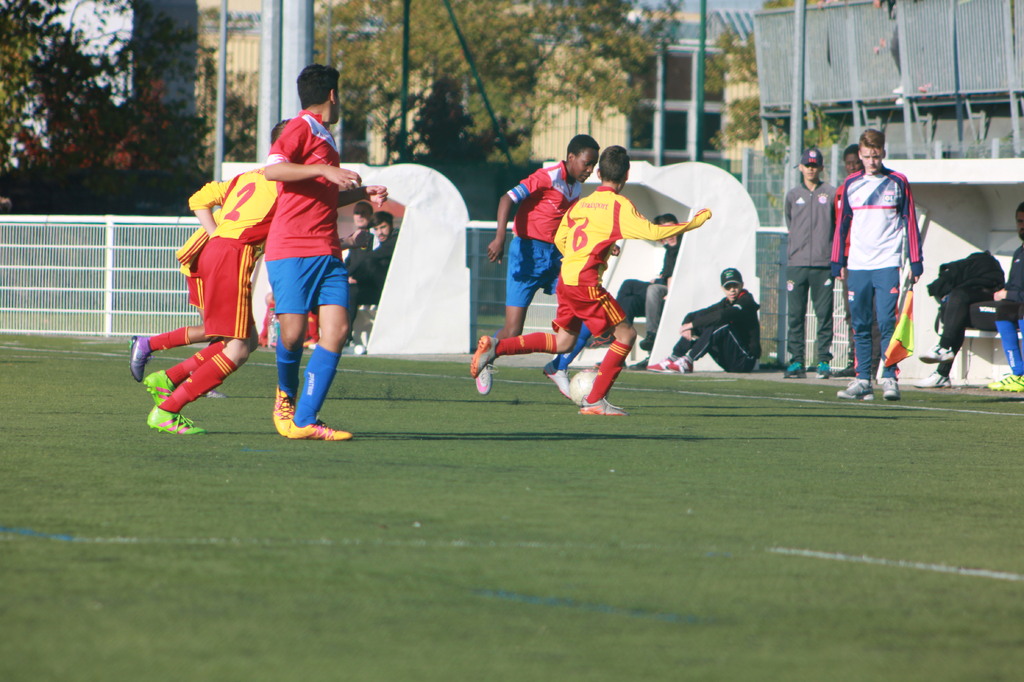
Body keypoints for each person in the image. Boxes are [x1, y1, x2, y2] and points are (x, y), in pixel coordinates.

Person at [470, 145, 712, 416]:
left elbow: (561, 237)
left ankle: (497, 346)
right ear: (626, 175)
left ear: (599, 173)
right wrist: (693, 223)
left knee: (563, 343)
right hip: (586, 284)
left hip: (567, 278)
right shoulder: (619, 206)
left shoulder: (582, 202)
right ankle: (595, 400)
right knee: (626, 335)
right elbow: (655, 232)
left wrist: (589, 250)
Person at [129, 119, 290, 435]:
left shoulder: (248, 177)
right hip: (221, 258)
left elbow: (199, 199)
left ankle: (169, 378)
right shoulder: (285, 184)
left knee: (241, 339)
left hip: (217, 255)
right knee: (232, 342)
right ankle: (167, 399)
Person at [264, 64, 388, 441]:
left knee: (337, 330)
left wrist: (362, 194)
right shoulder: (300, 126)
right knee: (292, 334)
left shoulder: (325, 137)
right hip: (291, 247)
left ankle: (305, 419)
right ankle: (285, 398)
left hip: (327, 250)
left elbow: (323, 196)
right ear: (333, 95)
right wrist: (325, 171)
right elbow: (273, 170)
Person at [477, 134, 600, 396]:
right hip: (527, 255)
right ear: (571, 158)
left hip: (556, 258)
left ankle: (558, 367)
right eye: (587, 163)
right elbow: (506, 199)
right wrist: (500, 238)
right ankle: (486, 357)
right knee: (513, 330)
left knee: (587, 312)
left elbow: (573, 224)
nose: (590, 170)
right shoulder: (547, 176)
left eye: (594, 165)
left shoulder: (576, 187)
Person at [831, 128, 923, 401]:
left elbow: (910, 221)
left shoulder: (898, 181)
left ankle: (889, 377)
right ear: (860, 155)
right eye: (867, 156)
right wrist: (837, 260)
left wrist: (916, 260)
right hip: (858, 264)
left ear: (883, 153)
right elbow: (841, 226)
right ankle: (862, 380)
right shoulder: (850, 184)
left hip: (887, 263)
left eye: (876, 156)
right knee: (860, 323)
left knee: (886, 321)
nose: (872, 161)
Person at [915, 250, 1005, 388]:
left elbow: (935, 287)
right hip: (988, 306)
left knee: (959, 299)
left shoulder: (970, 275)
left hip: (1003, 309)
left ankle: (943, 351)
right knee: (958, 316)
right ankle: (942, 373)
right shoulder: (990, 267)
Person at [783, 147, 836, 380]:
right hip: (797, 264)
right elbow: (790, 222)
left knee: (824, 315)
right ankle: (796, 361)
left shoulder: (831, 193)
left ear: (821, 167)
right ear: (801, 167)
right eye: (807, 165)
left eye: (815, 165)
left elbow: (837, 225)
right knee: (795, 315)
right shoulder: (793, 195)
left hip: (823, 265)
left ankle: (823, 360)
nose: (811, 169)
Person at [647, 268, 760, 374]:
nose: (732, 290)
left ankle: (689, 360)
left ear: (742, 285)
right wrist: (688, 326)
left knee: (720, 324)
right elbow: (693, 315)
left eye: (735, 286)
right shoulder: (724, 303)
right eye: (728, 287)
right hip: (727, 361)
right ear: (722, 288)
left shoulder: (746, 301)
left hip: (745, 361)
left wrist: (692, 324)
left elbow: (723, 315)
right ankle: (674, 357)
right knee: (702, 323)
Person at [616, 213, 682, 354]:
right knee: (629, 301)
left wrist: (668, 290)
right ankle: (618, 337)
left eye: (672, 229)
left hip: (674, 288)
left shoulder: (682, 247)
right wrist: (659, 278)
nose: (670, 234)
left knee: (630, 285)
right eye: (665, 231)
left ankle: (651, 334)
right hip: (663, 284)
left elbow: (674, 275)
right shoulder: (669, 249)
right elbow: (667, 272)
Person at [983, 203, 1024, 392]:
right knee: (1003, 311)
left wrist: (1008, 294)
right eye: (1019, 221)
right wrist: (1004, 294)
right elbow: (1013, 285)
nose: (1022, 226)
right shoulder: (1018, 252)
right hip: (1018, 300)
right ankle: (1018, 373)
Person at [345, 210, 397, 330]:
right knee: (351, 292)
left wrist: (354, 276)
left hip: (391, 290)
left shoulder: (396, 240)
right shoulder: (371, 241)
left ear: (391, 225)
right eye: (376, 229)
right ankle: (346, 335)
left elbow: (370, 258)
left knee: (369, 262)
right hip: (375, 289)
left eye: (383, 227)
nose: (380, 232)